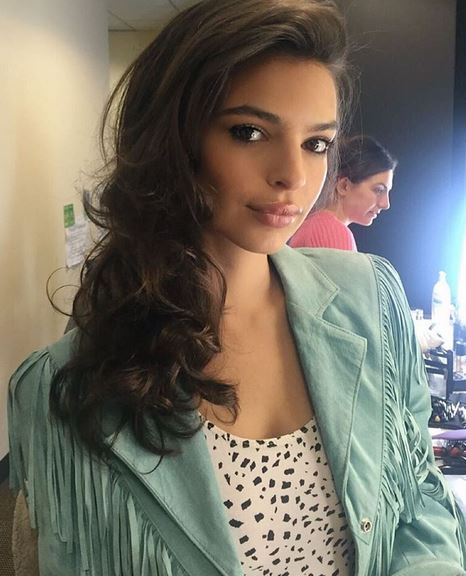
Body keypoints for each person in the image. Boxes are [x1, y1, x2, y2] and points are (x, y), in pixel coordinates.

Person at [7, 1, 466, 575]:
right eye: (249, 132)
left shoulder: (370, 298)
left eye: (316, 143)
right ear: (173, 140)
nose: (293, 175)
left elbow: (418, 493)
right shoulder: (67, 388)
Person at [289, 135, 397, 251]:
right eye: (378, 190)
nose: (385, 204)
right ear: (344, 186)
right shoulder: (331, 231)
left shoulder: (312, 225)